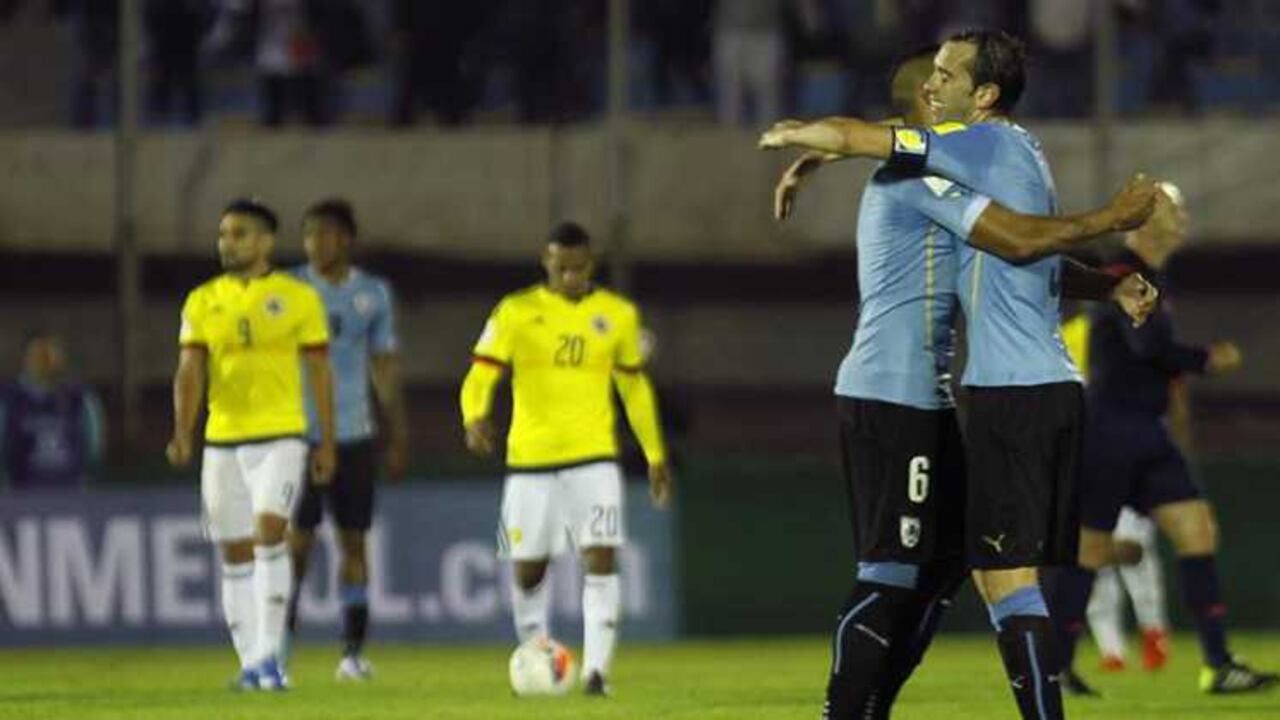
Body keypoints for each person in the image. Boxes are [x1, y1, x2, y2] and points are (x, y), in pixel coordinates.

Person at [761, 28, 1161, 719]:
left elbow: (1017, 245)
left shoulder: (966, 159)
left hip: (967, 395)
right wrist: (810, 142)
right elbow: (1014, 239)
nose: (933, 86)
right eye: (932, 79)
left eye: (946, 76)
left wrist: (818, 149)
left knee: (966, 570)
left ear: (977, 97)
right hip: (899, 394)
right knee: (912, 570)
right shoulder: (942, 171)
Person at [1048, 181, 1278, 695]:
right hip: (1109, 430)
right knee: (1090, 550)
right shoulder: (1120, 274)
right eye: (1175, 209)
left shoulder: (1153, 277)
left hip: (1147, 431)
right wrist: (1205, 359)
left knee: (1197, 530)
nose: (1183, 218)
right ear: (1146, 220)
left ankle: (1218, 664)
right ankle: (1055, 667)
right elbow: (1147, 345)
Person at [459, 222, 673, 697]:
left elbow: (633, 388)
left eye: (579, 268)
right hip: (529, 461)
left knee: (601, 556)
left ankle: (596, 673)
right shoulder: (515, 311)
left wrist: (655, 452)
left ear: (590, 263)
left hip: (594, 457)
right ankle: (537, 655)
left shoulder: (617, 314)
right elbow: (480, 375)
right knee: (527, 570)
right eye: (562, 268)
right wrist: (474, 417)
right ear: (546, 261)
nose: (571, 277)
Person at [167, 198, 336, 691]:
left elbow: (320, 372)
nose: (228, 243)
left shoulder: (298, 298)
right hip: (222, 440)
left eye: (239, 234)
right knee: (235, 551)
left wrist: (325, 440)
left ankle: (269, 657)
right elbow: (189, 371)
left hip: (281, 436)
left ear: (265, 241)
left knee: (270, 530)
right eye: (224, 234)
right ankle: (251, 664)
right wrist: (183, 430)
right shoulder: (202, 300)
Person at [284, 198, 408, 681]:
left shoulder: (373, 294)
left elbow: (384, 366)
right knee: (294, 547)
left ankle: (352, 653)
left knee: (354, 545)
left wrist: (397, 431)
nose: (317, 243)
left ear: (347, 239)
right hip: (297, 436)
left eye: (328, 233)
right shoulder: (288, 290)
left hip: (355, 435)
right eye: (310, 234)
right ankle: (277, 649)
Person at [0, 331, 105, 489]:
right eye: (38, 355)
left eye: (50, 354)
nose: (45, 361)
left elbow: (94, 447)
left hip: (70, 488)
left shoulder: (79, 398)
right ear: (26, 359)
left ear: (60, 359)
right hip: (23, 490)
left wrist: (86, 475)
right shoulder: (10, 399)